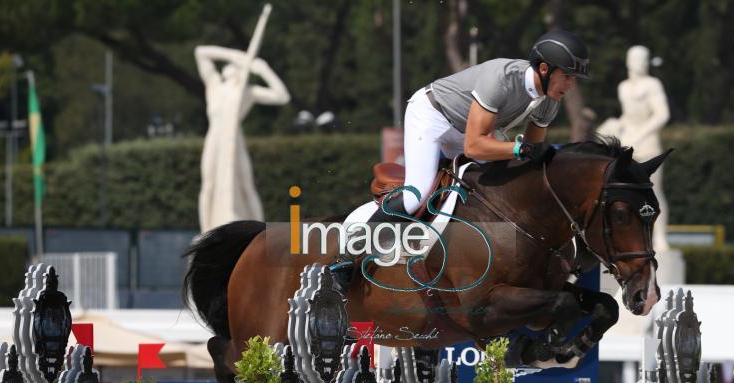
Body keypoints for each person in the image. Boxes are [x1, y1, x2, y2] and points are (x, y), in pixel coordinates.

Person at [331, 30, 590, 289]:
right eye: (567, 76)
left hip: (468, 129)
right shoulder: (501, 78)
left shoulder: (549, 101)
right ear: (544, 69)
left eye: (574, 78)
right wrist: (521, 150)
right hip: (433, 116)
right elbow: (475, 146)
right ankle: (349, 252)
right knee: (417, 195)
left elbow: (531, 155)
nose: (571, 85)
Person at [195, 45, 290, 233]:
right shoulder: (214, 86)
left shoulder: (247, 92)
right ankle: (206, 230)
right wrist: (237, 55)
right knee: (208, 183)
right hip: (215, 136)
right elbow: (200, 52)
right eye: (230, 64)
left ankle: (260, 230)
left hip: (234, 139)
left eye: (236, 65)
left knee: (246, 183)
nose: (231, 66)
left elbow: (282, 96)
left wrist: (263, 69)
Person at [597, 45, 670, 251]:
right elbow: (627, 116)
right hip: (627, 145)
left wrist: (640, 134)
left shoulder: (652, 84)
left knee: (654, 192)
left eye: (643, 58)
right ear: (628, 61)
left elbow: (662, 114)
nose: (639, 61)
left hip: (648, 145)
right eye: (635, 58)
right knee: (622, 194)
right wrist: (615, 125)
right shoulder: (623, 87)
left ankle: (660, 237)